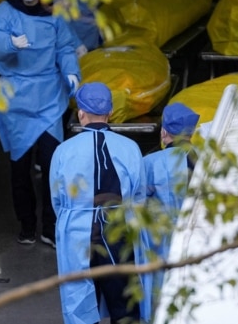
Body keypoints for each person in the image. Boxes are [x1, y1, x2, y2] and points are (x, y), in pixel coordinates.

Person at [0, 0, 81, 246]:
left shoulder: (54, 13)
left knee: (53, 167)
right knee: (19, 169)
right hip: (16, 99)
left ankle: (50, 227)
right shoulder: (4, 12)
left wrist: (72, 72)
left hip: (50, 96)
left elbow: (65, 47)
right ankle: (27, 224)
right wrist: (9, 43)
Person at [49, 82, 147, 324]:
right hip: (119, 230)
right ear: (110, 112)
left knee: (78, 298)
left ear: (80, 113)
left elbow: (57, 199)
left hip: (77, 231)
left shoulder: (63, 151)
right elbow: (139, 196)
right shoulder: (131, 148)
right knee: (124, 298)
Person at [141, 102, 200, 317]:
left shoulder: (151, 162)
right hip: (197, 238)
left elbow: (138, 201)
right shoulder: (204, 158)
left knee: (160, 294)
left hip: (160, 241)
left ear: (165, 131)